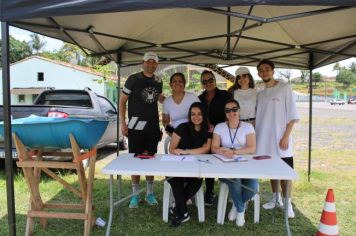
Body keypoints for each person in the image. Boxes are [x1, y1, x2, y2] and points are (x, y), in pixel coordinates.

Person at [119, 52, 165, 209]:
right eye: (148, 61)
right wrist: (123, 124)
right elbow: (122, 102)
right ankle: (135, 195)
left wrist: (176, 100)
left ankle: (150, 193)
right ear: (142, 62)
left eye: (154, 62)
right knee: (135, 160)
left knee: (149, 158)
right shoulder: (133, 79)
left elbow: (160, 98)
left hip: (152, 126)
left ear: (157, 65)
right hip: (135, 125)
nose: (151, 64)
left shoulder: (159, 81)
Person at [255, 59, 299, 218]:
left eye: (267, 69)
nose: (264, 72)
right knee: (273, 171)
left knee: (286, 173)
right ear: (258, 73)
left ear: (273, 71)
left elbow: (293, 116)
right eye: (261, 70)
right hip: (264, 140)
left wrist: (286, 136)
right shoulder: (260, 94)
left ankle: (288, 203)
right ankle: (276, 198)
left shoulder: (285, 88)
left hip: (282, 140)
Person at [211, 99, 258, 227]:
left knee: (253, 187)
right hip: (225, 166)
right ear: (225, 113)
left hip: (246, 165)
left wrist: (234, 151)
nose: (231, 112)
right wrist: (221, 150)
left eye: (234, 109)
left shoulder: (248, 127)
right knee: (235, 180)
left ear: (239, 110)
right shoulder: (219, 127)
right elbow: (213, 147)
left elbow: (251, 148)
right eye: (228, 110)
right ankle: (241, 210)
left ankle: (236, 206)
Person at [168, 102, 212, 227]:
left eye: (199, 114)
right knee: (174, 178)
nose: (196, 117)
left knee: (197, 181)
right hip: (179, 166)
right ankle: (183, 213)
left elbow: (205, 149)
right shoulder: (182, 127)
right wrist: (179, 152)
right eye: (193, 114)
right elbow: (172, 149)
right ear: (189, 115)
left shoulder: (208, 129)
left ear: (204, 115)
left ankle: (178, 209)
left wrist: (186, 152)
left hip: (195, 167)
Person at [198, 70, 231, 206]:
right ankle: (210, 191)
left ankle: (229, 191)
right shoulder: (199, 98)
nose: (208, 83)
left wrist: (220, 128)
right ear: (202, 84)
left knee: (225, 162)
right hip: (206, 136)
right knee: (208, 162)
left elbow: (229, 113)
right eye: (205, 81)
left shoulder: (225, 95)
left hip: (223, 134)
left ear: (215, 80)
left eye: (210, 80)